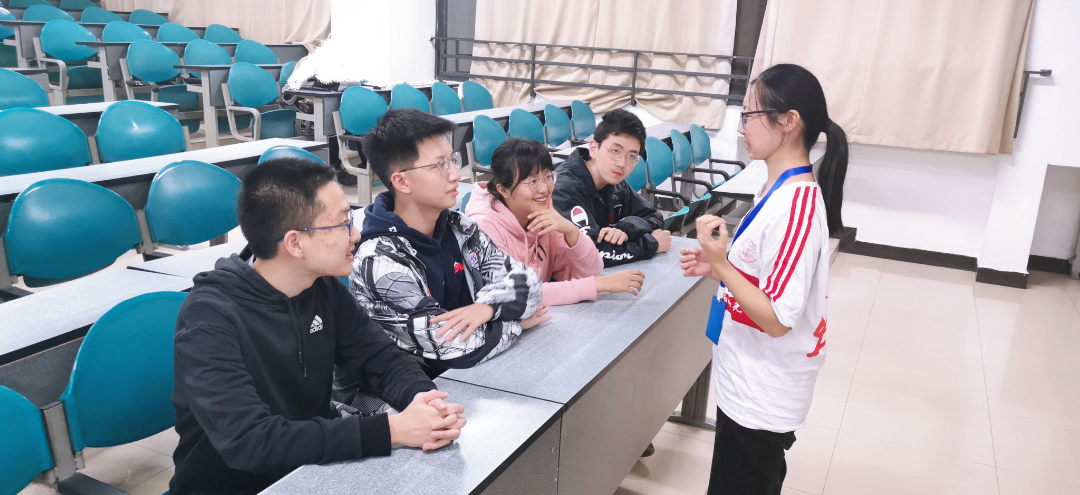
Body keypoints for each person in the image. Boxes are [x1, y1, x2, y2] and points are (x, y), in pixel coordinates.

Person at [170, 158, 467, 495]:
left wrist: (425, 400)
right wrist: (392, 430)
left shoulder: (320, 287)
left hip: (312, 470)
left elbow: (380, 358)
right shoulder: (208, 318)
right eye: (342, 223)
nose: (356, 234)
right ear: (295, 243)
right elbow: (251, 441)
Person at [679, 63, 848, 495]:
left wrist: (722, 266)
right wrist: (718, 265)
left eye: (749, 116)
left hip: (762, 394)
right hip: (745, 381)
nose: (741, 129)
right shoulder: (775, 189)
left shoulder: (796, 207)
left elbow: (776, 319)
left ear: (789, 121)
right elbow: (765, 273)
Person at [338, 109, 546, 410]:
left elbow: (528, 282)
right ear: (402, 181)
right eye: (440, 165)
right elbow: (457, 347)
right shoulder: (380, 260)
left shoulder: (460, 226)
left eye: (453, 160)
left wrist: (487, 308)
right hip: (401, 403)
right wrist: (517, 322)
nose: (455, 174)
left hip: (467, 381)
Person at [465, 138, 646, 306]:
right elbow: (510, 295)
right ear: (503, 190)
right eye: (532, 181)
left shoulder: (543, 214)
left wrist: (572, 232)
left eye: (547, 177)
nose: (544, 189)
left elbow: (591, 272)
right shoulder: (483, 226)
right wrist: (597, 285)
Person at [552, 109, 672, 267]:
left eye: (631, 156)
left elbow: (654, 217)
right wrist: (652, 244)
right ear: (593, 149)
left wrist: (626, 228)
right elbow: (591, 253)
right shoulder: (564, 189)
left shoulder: (615, 182)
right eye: (615, 151)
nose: (622, 163)